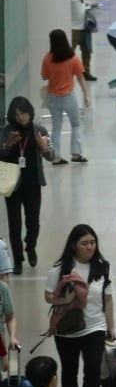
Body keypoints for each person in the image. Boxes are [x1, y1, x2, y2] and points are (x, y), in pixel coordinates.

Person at [44, 225, 114, 387]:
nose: (89, 247)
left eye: (92, 243)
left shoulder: (102, 266)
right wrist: (66, 298)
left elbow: (107, 298)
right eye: (84, 243)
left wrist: (111, 326)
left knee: (93, 368)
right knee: (69, 371)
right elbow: (48, 296)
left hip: (95, 326)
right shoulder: (60, 269)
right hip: (68, 328)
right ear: (74, 246)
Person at [0, 96, 53, 274]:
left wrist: (43, 147)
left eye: (24, 113)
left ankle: (30, 246)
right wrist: (8, 145)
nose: (22, 118)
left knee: (33, 223)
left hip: (32, 183)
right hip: (12, 184)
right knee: (14, 225)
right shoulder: (6, 132)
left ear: (30, 113)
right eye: (17, 115)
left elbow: (51, 156)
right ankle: (18, 260)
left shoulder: (39, 130)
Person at [41, 29, 89, 165]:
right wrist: (86, 95)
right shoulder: (73, 58)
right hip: (68, 96)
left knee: (56, 128)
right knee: (76, 124)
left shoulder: (47, 58)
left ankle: (56, 157)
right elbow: (80, 77)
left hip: (52, 97)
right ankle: (76, 153)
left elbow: (44, 76)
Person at [70, 0, 96, 82]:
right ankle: (67, 74)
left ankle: (86, 72)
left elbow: (80, 4)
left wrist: (88, 6)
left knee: (86, 51)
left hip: (84, 27)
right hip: (73, 28)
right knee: (70, 53)